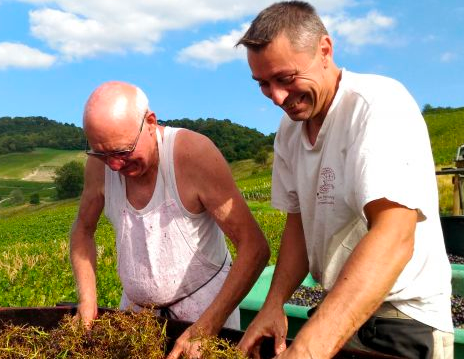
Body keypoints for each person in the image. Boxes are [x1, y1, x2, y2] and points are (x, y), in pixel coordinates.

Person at [235, 2, 454, 358]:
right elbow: (300, 226)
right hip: (341, 308)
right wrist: (273, 304)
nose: (277, 97)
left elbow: (395, 236)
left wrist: (309, 347)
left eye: (286, 78)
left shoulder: (377, 106)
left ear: (325, 50)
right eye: (263, 84)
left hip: (402, 320)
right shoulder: (289, 133)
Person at [70, 81, 270, 358]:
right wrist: (88, 299)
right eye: (103, 154)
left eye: (123, 152)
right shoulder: (100, 166)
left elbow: (254, 247)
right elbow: (82, 230)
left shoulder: (192, 154)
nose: (115, 165)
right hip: (137, 319)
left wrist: (207, 326)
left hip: (205, 313)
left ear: (150, 122)